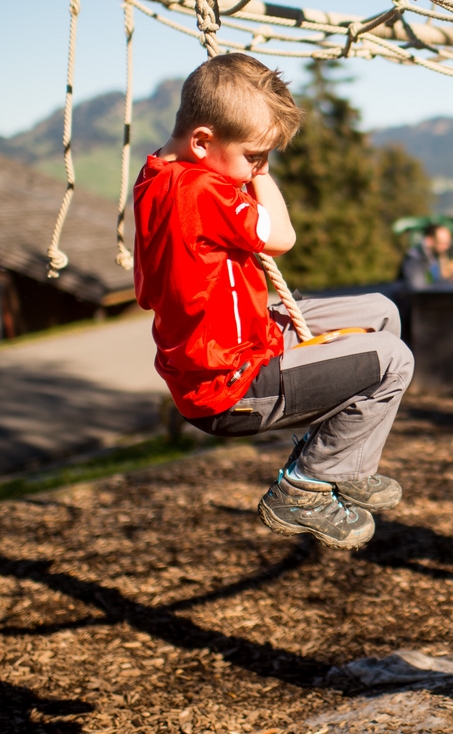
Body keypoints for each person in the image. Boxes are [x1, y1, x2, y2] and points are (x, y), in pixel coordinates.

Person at [133, 53, 413, 550]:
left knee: (381, 312)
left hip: (245, 334)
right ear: (202, 142)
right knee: (394, 361)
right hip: (230, 385)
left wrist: (242, 144)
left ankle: (343, 463)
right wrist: (258, 176)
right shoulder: (202, 190)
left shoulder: (160, 170)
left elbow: (212, 129)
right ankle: (302, 489)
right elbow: (282, 235)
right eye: (256, 155)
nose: (261, 167)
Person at [401, 223, 452, 288]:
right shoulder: (415, 259)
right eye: (442, 243)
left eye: (448, 243)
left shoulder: (435, 257)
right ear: (429, 240)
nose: (447, 247)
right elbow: (418, 289)